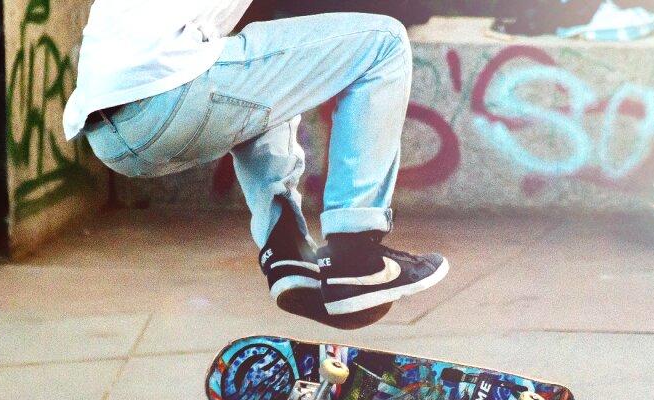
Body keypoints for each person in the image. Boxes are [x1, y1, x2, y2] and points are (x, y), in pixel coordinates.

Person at [63, 1, 449, 316]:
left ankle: (286, 249)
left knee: (272, 73)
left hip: (110, 129)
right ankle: (356, 250)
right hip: (168, 91)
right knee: (385, 40)